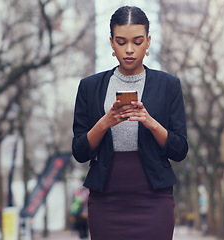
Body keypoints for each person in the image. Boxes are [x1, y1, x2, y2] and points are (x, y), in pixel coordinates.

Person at [72, 5, 188, 240]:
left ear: (148, 42)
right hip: (106, 198)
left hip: (154, 197)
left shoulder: (169, 85)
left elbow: (180, 150)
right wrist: (105, 122)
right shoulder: (90, 87)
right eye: (121, 41)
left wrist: (150, 122)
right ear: (112, 43)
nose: (129, 50)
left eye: (137, 41)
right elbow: (80, 151)